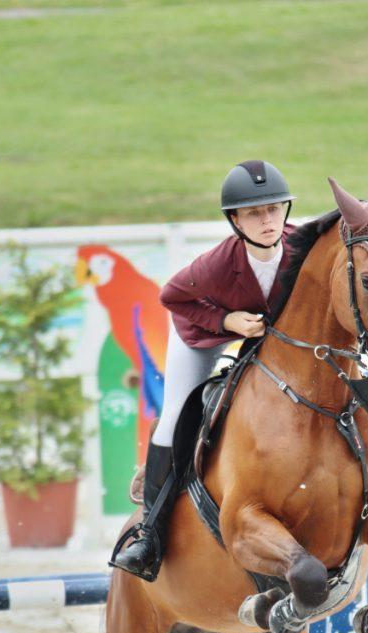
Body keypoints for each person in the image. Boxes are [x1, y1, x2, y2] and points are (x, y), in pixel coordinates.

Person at [110, 159, 296, 581]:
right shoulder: (216, 264)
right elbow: (171, 297)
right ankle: (149, 535)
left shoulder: (301, 246)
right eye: (254, 213)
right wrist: (226, 321)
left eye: (274, 209)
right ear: (235, 220)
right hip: (202, 336)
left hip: (266, 337)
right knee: (176, 414)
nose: (268, 220)